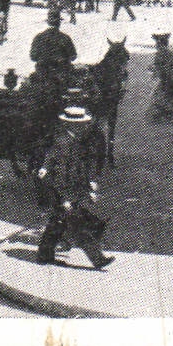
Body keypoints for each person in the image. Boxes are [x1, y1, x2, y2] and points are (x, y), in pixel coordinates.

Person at [35, 106, 114, 268]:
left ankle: (44, 254)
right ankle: (97, 259)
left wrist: (90, 187)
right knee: (78, 226)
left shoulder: (77, 142)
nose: (84, 127)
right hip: (61, 192)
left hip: (71, 191)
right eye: (80, 124)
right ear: (71, 125)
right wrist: (64, 198)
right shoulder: (63, 143)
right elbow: (58, 176)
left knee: (57, 224)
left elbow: (82, 169)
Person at [148, 32, 173, 122]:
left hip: (164, 79)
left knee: (160, 96)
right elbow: (172, 67)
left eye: (157, 44)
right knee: (171, 96)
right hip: (170, 78)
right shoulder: (170, 53)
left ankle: (163, 116)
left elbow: (158, 68)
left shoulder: (158, 54)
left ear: (159, 44)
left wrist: (152, 69)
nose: (156, 46)